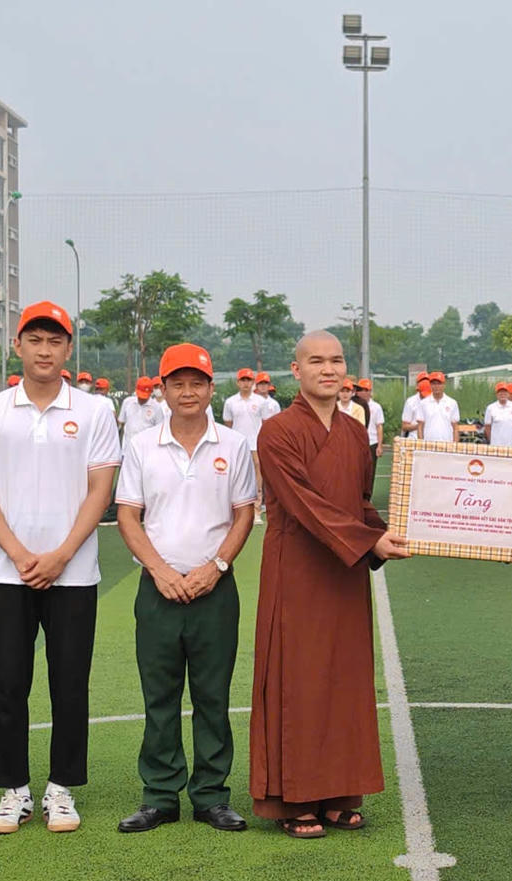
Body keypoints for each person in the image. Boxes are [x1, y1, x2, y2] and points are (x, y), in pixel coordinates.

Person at [0, 301, 121, 835]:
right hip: (8, 572)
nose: (44, 350)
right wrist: (20, 553)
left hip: (73, 572)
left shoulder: (95, 411)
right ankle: (14, 791)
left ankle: (61, 789)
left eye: (55, 341)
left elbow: (100, 490)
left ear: (68, 349)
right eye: (35, 340)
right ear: (18, 346)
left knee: (69, 684)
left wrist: (60, 554)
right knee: (8, 684)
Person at [249, 330, 409, 838]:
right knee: (299, 679)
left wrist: (388, 532)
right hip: (297, 570)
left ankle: (341, 792)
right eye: (316, 361)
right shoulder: (277, 431)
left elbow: (358, 503)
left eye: (336, 360)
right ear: (296, 371)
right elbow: (306, 505)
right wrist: (369, 542)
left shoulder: (354, 431)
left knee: (345, 678)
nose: (328, 369)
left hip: (345, 571)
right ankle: (296, 797)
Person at [115, 344, 257, 834]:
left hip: (215, 588)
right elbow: (128, 516)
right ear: (163, 389)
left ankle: (212, 795)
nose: (188, 392)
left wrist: (216, 567)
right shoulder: (141, 445)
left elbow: (244, 514)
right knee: (160, 696)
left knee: (212, 696)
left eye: (197, 383)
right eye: (177, 383)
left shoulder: (233, 445)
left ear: (211, 388)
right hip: (158, 588)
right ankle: (159, 796)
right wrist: (159, 571)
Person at [223, 368, 266, 525]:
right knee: (235, 477)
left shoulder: (261, 402)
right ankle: (235, 511)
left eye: (248, 380)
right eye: (243, 380)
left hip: (256, 444)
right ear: (238, 383)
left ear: (253, 382)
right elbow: (228, 424)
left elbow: (266, 423)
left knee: (257, 478)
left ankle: (256, 510)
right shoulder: (230, 402)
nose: (246, 383)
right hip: (237, 446)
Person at [120, 377, 166, 450]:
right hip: (128, 449)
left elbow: (160, 430)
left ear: (151, 392)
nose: (142, 399)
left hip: (148, 449)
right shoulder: (127, 403)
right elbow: (122, 423)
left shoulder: (156, 408)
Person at [355, 379, 385, 479]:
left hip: (372, 442)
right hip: (356, 443)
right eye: (361, 390)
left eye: (366, 390)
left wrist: (379, 446)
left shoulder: (376, 407)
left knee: (370, 472)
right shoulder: (353, 405)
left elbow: (379, 426)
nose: (364, 392)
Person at [416, 372, 459, 443]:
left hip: (447, 444)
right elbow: (420, 427)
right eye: (433, 384)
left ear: (444, 385)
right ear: (430, 385)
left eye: (439, 383)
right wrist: (421, 444)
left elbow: (455, 427)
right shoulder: (423, 403)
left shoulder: (452, 403)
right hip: (429, 444)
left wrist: (455, 445)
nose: (436, 386)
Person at [400, 373, 430, 437]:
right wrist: (419, 426)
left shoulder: (434, 401)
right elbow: (404, 426)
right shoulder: (411, 402)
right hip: (413, 438)